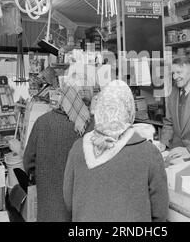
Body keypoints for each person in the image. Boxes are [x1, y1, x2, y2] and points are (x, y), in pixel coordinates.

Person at [63, 80, 168, 222]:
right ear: (129, 109)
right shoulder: (149, 153)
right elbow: (160, 212)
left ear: (99, 108)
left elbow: (68, 201)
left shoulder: (78, 148)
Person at [23, 83, 94, 222]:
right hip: (80, 209)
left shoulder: (42, 122)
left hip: (49, 209)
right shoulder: (90, 125)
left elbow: (28, 163)